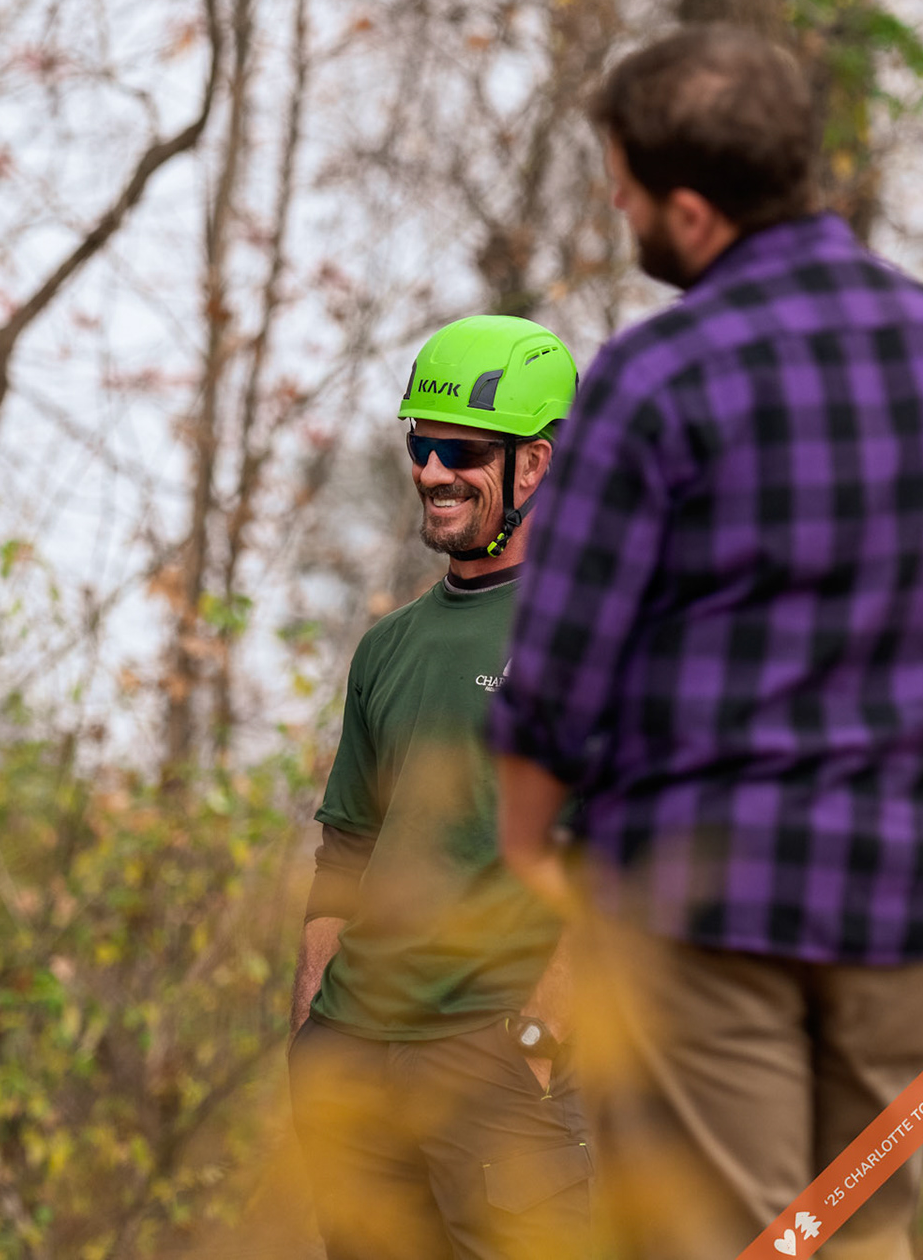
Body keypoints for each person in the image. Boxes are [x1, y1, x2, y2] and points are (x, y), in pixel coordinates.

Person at [489, 27, 923, 1260]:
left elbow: (559, 674)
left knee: (717, 1237)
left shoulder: (657, 379)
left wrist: (530, 842)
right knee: (854, 1234)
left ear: (690, 213)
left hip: (699, 901)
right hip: (902, 899)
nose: (620, 206)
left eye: (626, 189)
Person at [288, 315, 591, 1260]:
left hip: (494, 1073)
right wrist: (312, 1042)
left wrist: (537, 1043)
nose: (429, 470)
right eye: (420, 444)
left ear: (533, 468)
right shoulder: (388, 645)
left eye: (459, 449)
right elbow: (347, 851)